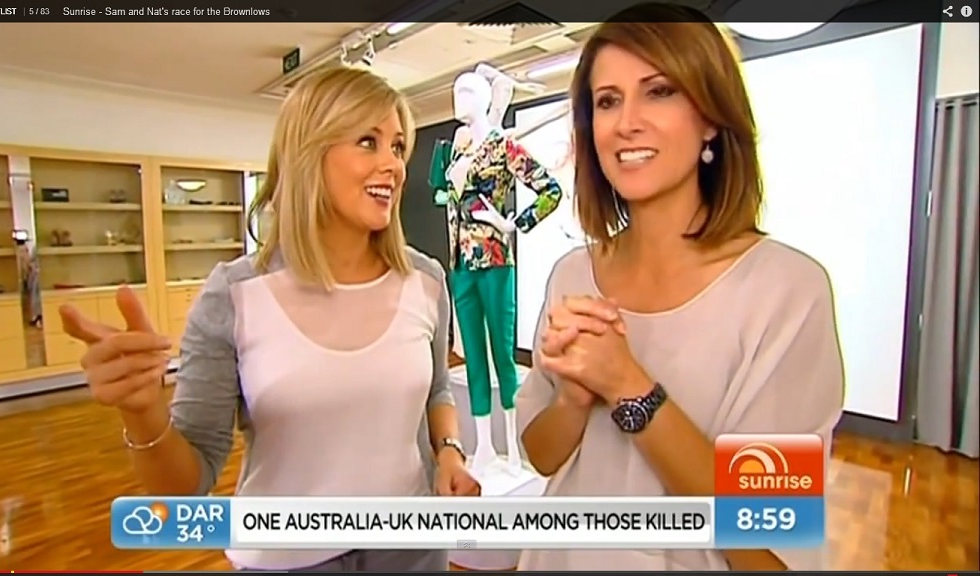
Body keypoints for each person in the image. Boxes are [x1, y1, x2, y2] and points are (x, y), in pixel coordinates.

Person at [59, 66, 480, 572]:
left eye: (397, 146)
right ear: (307, 154)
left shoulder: (426, 280)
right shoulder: (234, 296)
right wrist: (143, 410)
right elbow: (185, 485)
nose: (392, 164)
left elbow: (436, 391)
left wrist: (449, 451)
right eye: (368, 142)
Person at [516, 4, 845, 572]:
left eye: (659, 91)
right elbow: (542, 457)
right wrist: (572, 399)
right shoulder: (572, 273)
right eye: (608, 101)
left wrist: (629, 386)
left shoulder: (788, 291)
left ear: (711, 118)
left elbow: (768, 550)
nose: (626, 122)